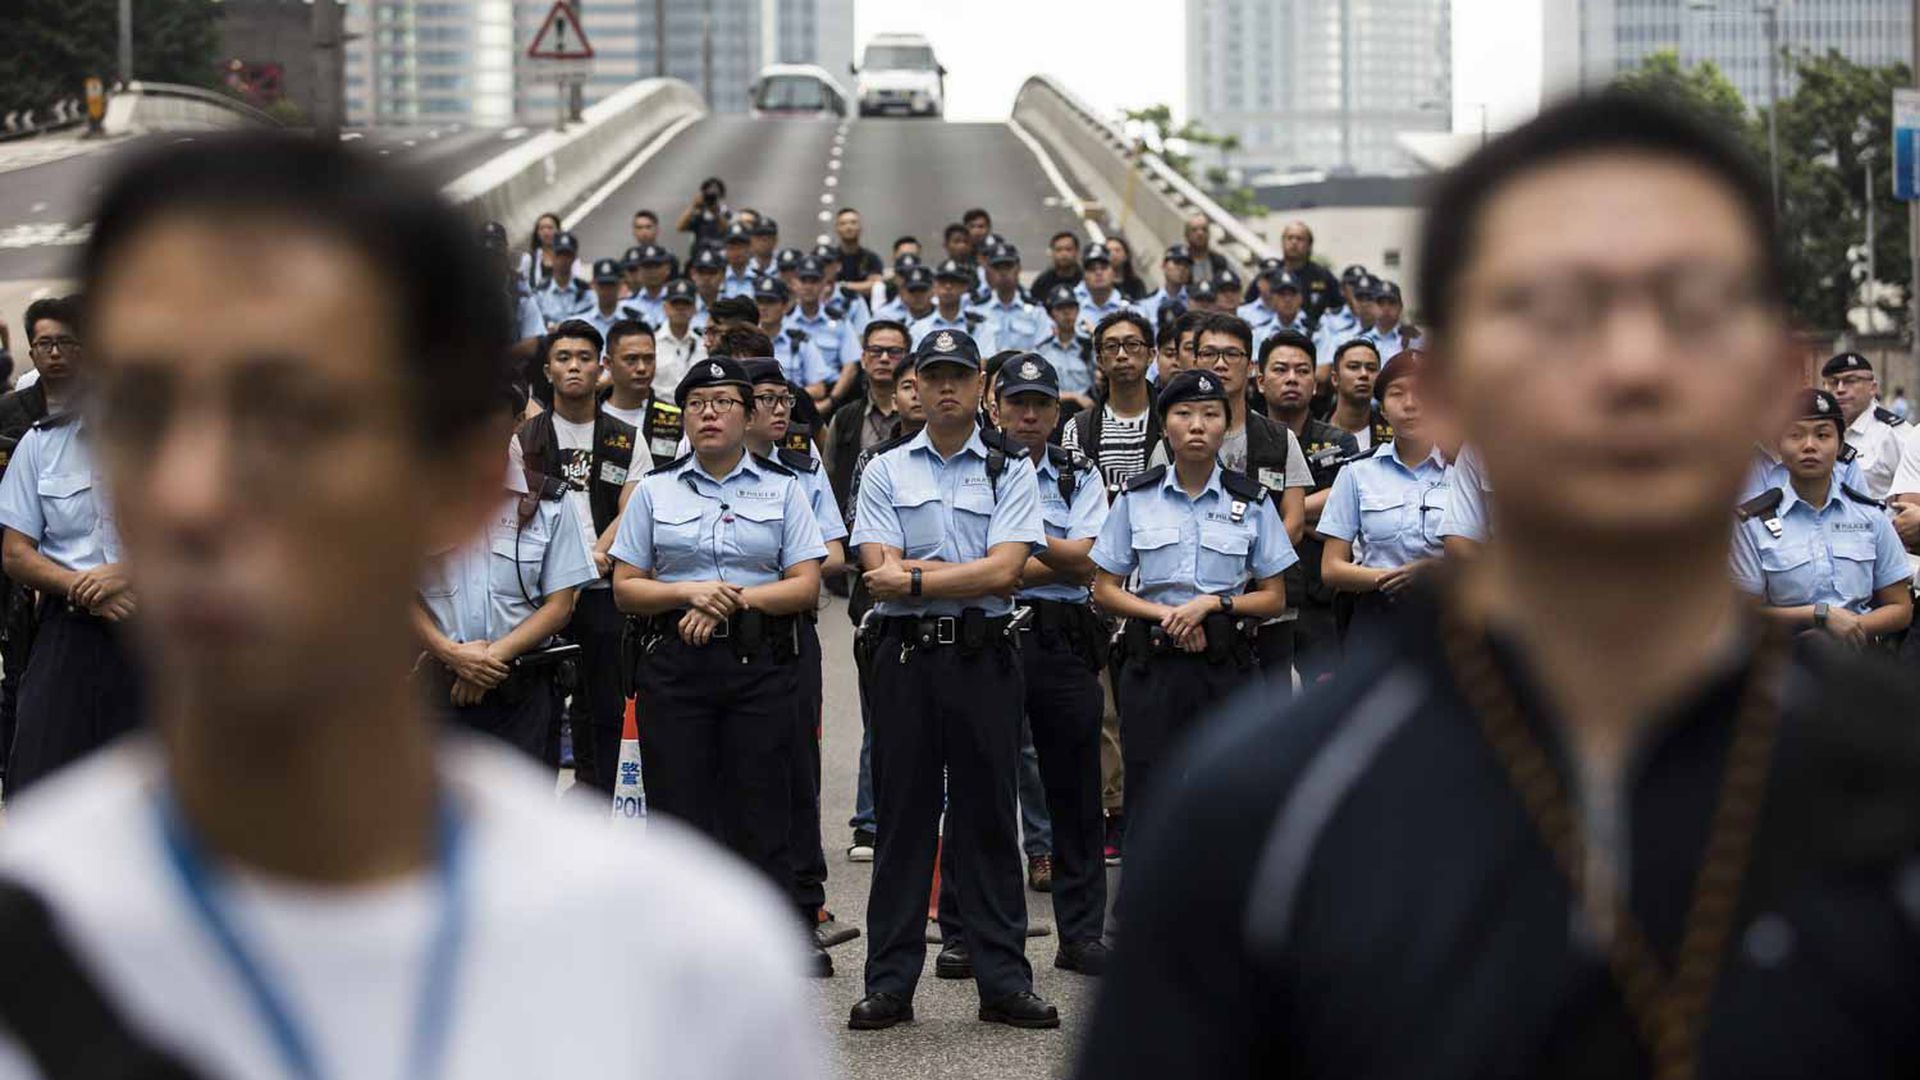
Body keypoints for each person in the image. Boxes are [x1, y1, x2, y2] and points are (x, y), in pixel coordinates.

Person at [1077, 90, 1920, 1080]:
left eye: (1693, 307)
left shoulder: (1895, 779)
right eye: (1556, 312)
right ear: (1442, 395)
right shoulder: (1266, 811)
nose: (1632, 364)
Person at [0, 131, 822, 1080]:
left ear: (465, 481)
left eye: (289, 413)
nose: (188, 493)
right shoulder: (34, 938)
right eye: (139, 412)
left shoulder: (682, 968)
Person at [846, 329, 1059, 1032]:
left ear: (980, 389)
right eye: (933, 375)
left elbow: (1006, 572)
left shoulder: (1009, 469)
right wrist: (925, 580)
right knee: (903, 822)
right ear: (917, 383)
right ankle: (889, 983)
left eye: (959, 376)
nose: (946, 387)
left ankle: (1003, 982)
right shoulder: (884, 468)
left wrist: (914, 576)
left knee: (989, 820)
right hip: (905, 660)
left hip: (983, 658)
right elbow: (872, 568)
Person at [609, 357, 831, 976]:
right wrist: (690, 594)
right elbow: (627, 588)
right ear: (684, 418)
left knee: (762, 804)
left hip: (759, 664)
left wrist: (726, 599)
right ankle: (680, 943)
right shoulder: (656, 489)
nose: (710, 412)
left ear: (749, 414)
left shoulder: (783, 487)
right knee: (680, 806)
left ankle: (769, 940)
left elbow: (805, 586)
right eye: (698, 403)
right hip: (675, 665)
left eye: (724, 401)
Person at [932, 353, 1112, 986]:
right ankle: (961, 931)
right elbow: (967, 559)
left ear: (1058, 412)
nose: (1029, 415)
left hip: (1060, 643)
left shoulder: (1076, 470)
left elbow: (1090, 560)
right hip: (987, 641)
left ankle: (1082, 931)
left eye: (1042, 404)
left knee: (1076, 794)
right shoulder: (975, 467)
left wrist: (1010, 559)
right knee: (979, 789)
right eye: (1017, 403)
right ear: (994, 405)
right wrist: (1033, 559)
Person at [1088, 368, 1295, 839]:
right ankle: (1143, 906)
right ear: (1165, 427)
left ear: (1227, 424)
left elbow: (1273, 596)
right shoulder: (1136, 498)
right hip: (1152, 662)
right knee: (1147, 787)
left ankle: (1225, 906)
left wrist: (1213, 605)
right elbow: (1104, 589)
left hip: (1226, 664)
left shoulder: (1254, 501)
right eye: (1184, 414)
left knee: (1229, 787)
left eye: (1209, 414)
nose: (1197, 425)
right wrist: (1170, 614)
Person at [0, 302, 143, 798]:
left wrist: (126, 575)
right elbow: (16, 552)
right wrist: (84, 588)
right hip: (71, 625)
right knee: (40, 775)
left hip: (162, 624)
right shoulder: (42, 445)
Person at [734, 357, 851, 953]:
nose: (781, 410)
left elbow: (830, 557)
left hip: (788, 636)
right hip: (724, 638)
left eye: (786, 399)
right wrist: (786, 560)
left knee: (797, 766)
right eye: (768, 398)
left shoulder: (803, 471)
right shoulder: (698, 471)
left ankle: (807, 898)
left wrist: (771, 560)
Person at [416, 385, 596, 759]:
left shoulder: (549, 502)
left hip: (521, 689)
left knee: (525, 810)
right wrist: (451, 653)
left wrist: (486, 660)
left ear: (517, 422)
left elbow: (560, 605)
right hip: (434, 686)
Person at [511, 319, 640, 792]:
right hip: (542, 594)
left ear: (601, 367)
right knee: (539, 708)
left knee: (604, 708)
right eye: (564, 358)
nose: (574, 367)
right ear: (548, 369)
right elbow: (516, 510)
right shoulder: (525, 438)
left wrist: (596, 554)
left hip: (605, 589)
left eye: (585, 358)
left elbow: (633, 505)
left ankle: (597, 801)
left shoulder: (626, 437)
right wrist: (564, 567)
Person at [1732, 387, 1912, 643]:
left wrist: (1852, 626)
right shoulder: (1752, 523)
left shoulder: (1870, 516)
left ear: (1840, 443)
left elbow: (1900, 608)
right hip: (1785, 665)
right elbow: (1746, 615)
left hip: (1860, 662)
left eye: (1823, 435)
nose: (1809, 446)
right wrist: (1818, 615)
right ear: (1779, 445)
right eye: (1795, 435)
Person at [839, 360, 926, 862]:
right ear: (893, 399)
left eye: (924, 384)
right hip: (878, 607)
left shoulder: (986, 460)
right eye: (907, 386)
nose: (917, 394)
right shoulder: (876, 460)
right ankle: (870, 821)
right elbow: (862, 537)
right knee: (882, 721)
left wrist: (909, 566)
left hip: (946, 609)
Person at [1316, 349, 1449, 648]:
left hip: (1449, 617)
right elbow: (1331, 568)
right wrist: (1390, 578)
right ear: (1383, 409)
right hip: (1378, 617)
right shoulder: (1357, 472)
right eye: (1397, 394)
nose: (1410, 405)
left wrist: (1433, 571)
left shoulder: (1465, 472)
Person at [1257, 329, 1358, 684]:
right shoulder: (1249, 441)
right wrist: (1305, 519)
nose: (1291, 379)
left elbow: (1346, 498)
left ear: (1315, 384)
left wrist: (1284, 512)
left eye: (1302, 371)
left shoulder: (1338, 441)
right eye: (1281, 370)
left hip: (1322, 596)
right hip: (1263, 591)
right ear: (1260, 379)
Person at [1065, 311, 1159, 495]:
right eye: (1111, 346)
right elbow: (1076, 496)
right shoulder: (1078, 429)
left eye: (1132, 344)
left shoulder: (1172, 420)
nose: (1122, 355)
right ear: (1099, 360)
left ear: (1151, 355)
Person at [825, 320, 908, 512]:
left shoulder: (921, 414)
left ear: (907, 359)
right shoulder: (844, 417)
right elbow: (829, 480)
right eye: (876, 351)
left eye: (894, 352)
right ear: (863, 359)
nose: (885, 358)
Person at [1821, 351, 1905, 499]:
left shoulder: (1894, 435)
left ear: (1872, 388)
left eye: (1850, 381)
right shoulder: (1815, 432)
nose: (1840, 389)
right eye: (1833, 382)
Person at [784, 256, 851, 382]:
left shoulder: (839, 321)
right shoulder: (785, 321)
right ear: (794, 284)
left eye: (814, 281)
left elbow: (850, 366)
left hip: (832, 392)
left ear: (824, 283)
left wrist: (832, 400)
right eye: (804, 280)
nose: (808, 286)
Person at [969, 243, 1045, 350]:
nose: (1003, 272)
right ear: (988, 271)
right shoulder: (974, 311)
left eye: (1008, 266)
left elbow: (1045, 351)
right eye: (997, 267)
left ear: (1018, 268)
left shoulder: (1037, 312)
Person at [1324, 339, 1393, 452]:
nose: (1364, 374)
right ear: (1335, 379)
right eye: (1354, 367)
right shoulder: (1312, 434)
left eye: (1371, 368)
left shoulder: (1395, 435)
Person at [910, 259, 991, 350]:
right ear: (934, 286)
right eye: (943, 281)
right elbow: (916, 361)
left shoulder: (979, 326)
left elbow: (985, 360)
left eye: (954, 281)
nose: (948, 286)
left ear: (965, 287)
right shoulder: (919, 327)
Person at [1275, 221, 1342, 321]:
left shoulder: (1323, 276)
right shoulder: (1270, 275)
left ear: (1309, 245)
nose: (1294, 242)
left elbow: (1340, 310)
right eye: (1289, 238)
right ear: (1282, 242)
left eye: (1299, 239)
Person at [654, 277, 706, 391]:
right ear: (665, 307)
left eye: (686, 304)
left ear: (694, 309)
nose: (680, 308)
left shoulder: (704, 344)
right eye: (675, 303)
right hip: (658, 407)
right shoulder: (652, 343)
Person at [533, 232, 592, 329]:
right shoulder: (539, 293)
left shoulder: (586, 291)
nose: (563, 259)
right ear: (552, 256)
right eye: (559, 255)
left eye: (568, 255)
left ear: (574, 258)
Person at [1073, 243, 1135, 335]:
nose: (1098, 273)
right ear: (1084, 276)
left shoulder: (1130, 309)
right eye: (1092, 269)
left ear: (1113, 273)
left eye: (1104, 268)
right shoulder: (1073, 307)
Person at [831, 208, 885, 302]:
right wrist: (862, 286)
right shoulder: (830, 258)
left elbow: (875, 287)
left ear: (860, 227)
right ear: (837, 229)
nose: (849, 227)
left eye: (853, 223)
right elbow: (823, 287)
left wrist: (842, 286)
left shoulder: (872, 258)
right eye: (843, 223)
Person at [1136, 245, 1192, 330]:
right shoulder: (1147, 304)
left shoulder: (1195, 301)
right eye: (1177, 263)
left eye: (1186, 265)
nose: (1182, 268)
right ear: (1163, 266)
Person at [675, 174, 732, 253]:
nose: (711, 198)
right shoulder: (699, 214)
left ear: (721, 196)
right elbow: (680, 227)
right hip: (699, 254)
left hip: (720, 254)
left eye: (714, 195)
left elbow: (726, 230)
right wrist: (693, 206)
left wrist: (716, 213)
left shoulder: (725, 213)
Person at [1361, 279, 1417, 358]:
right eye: (1381, 303)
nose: (1386, 308)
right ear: (1371, 307)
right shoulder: (1361, 341)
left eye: (1392, 302)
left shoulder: (1414, 340)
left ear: (1400, 307)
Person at [1029, 231, 1083, 303]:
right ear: (1052, 253)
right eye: (1059, 250)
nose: (1064, 254)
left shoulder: (1086, 279)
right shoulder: (1042, 282)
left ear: (1077, 252)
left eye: (1068, 249)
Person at [1182, 214, 1236, 286]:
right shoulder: (1181, 262)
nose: (1200, 233)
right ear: (1187, 235)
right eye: (1194, 230)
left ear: (1209, 234)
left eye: (1204, 229)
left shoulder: (1220, 262)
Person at [1106, 236, 1149, 302]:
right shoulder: (1098, 282)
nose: (1113, 254)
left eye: (1117, 250)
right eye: (1109, 251)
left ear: (1126, 256)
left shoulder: (1136, 284)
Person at [720, 224, 758, 299]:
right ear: (725, 251)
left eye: (740, 247)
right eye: (732, 248)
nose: (736, 252)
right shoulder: (719, 279)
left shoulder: (759, 278)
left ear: (749, 249)